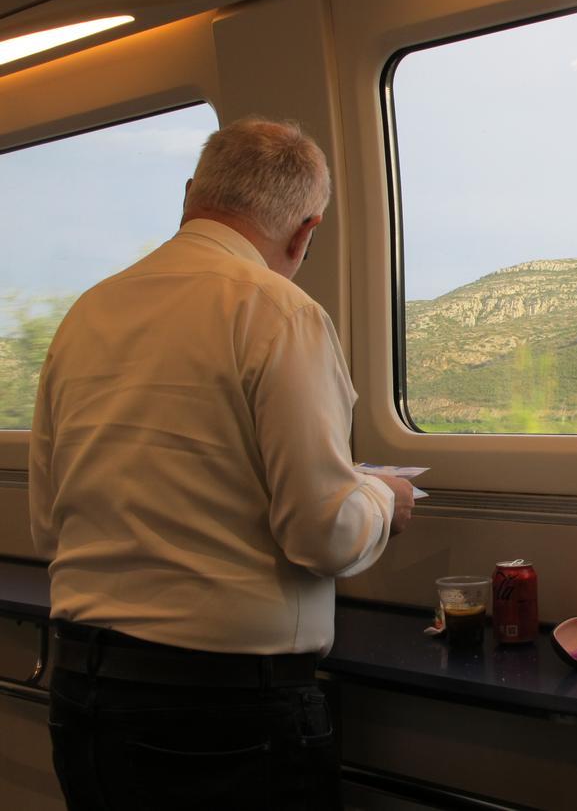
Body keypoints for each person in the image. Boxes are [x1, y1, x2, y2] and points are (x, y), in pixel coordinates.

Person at [28, 116, 414, 810]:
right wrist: (383, 498)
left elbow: (49, 528)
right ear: (305, 232)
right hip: (224, 714)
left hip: (84, 690)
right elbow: (321, 534)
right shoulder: (278, 313)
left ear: (189, 196)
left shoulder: (86, 313)